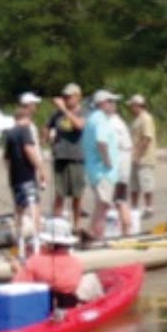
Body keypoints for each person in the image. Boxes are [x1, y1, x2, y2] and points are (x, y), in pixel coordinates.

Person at [11, 218, 104, 310]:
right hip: (70, 305)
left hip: (46, 305)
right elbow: (70, 284)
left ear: (47, 242)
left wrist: (18, 271)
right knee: (91, 278)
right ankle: (100, 309)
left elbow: (17, 286)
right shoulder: (76, 262)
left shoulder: (34, 261)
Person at [3, 92, 50, 258]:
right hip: (28, 177)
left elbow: (6, 159)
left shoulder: (10, 133)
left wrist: (11, 174)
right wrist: (42, 170)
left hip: (15, 178)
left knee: (19, 211)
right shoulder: (25, 130)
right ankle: (36, 247)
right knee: (35, 208)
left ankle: (21, 246)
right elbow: (29, 150)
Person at [83, 90, 124, 240]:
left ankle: (91, 233)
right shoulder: (100, 119)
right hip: (102, 171)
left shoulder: (93, 118)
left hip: (95, 170)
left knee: (101, 205)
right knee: (104, 205)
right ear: (102, 104)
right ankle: (96, 236)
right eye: (111, 101)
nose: (114, 105)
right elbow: (101, 141)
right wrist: (107, 160)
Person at [48, 84, 88, 231]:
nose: (65, 99)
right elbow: (47, 127)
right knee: (59, 194)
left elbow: (79, 126)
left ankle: (76, 226)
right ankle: (56, 227)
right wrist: (48, 136)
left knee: (77, 196)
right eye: (64, 97)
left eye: (68, 97)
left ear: (78, 97)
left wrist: (64, 110)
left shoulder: (83, 112)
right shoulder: (56, 114)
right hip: (60, 157)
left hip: (77, 158)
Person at [108, 98, 137, 237]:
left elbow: (111, 146)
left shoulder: (112, 124)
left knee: (119, 200)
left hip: (118, 168)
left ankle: (126, 230)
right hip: (122, 167)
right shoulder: (119, 122)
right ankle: (126, 228)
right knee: (120, 199)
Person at [129, 94, 158, 216]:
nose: (130, 108)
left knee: (146, 184)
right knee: (134, 185)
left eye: (132, 105)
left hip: (145, 158)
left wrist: (137, 154)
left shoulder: (146, 118)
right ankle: (134, 208)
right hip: (134, 157)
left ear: (138, 105)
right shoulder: (136, 119)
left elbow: (147, 138)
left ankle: (149, 207)